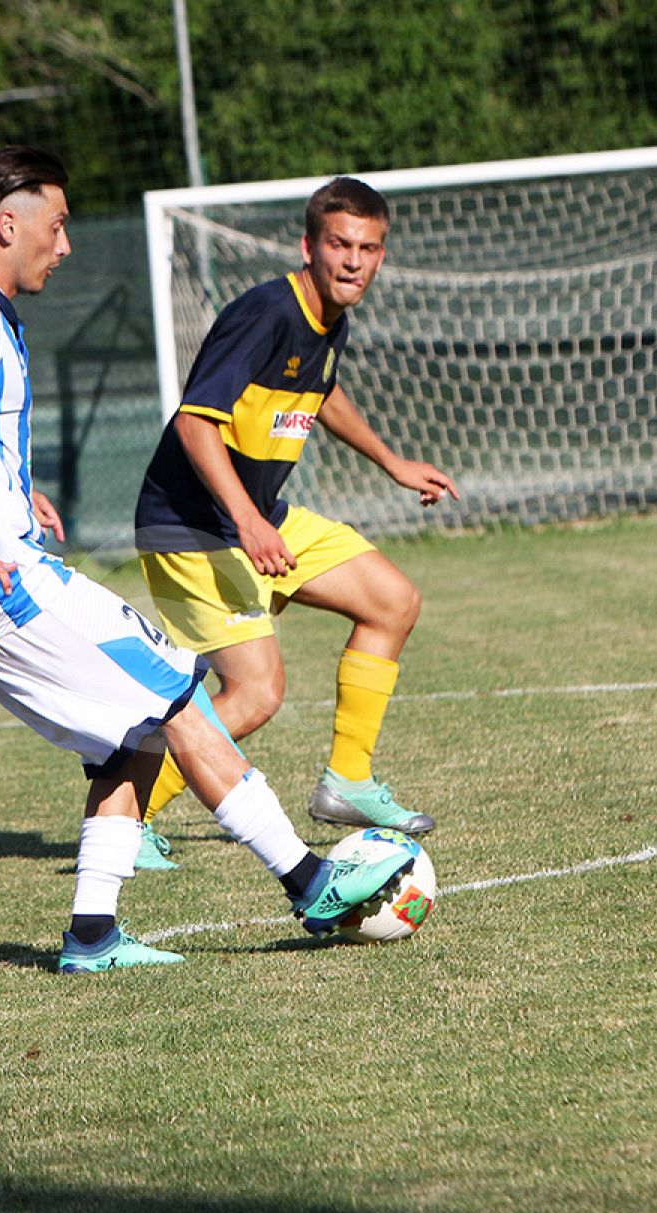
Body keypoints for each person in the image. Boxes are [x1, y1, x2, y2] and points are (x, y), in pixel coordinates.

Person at [0, 147, 416, 973]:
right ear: (8, 225)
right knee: (183, 697)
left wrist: (10, 497)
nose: (65, 246)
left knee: (132, 735)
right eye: (57, 226)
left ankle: (92, 935)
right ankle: (312, 885)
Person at [130, 177, 459, 871]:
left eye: (368, 248)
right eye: (340, 244)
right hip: (192, 528)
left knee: (392, 601)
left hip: (259, 516)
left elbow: (322, 391)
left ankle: (347, 783)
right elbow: (194, 423)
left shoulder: (328, 319)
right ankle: (126, 815)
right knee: (255, 694)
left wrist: (392, 461)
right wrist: (247, 520)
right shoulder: (266, 313)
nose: (354, 261)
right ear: (309, 247)